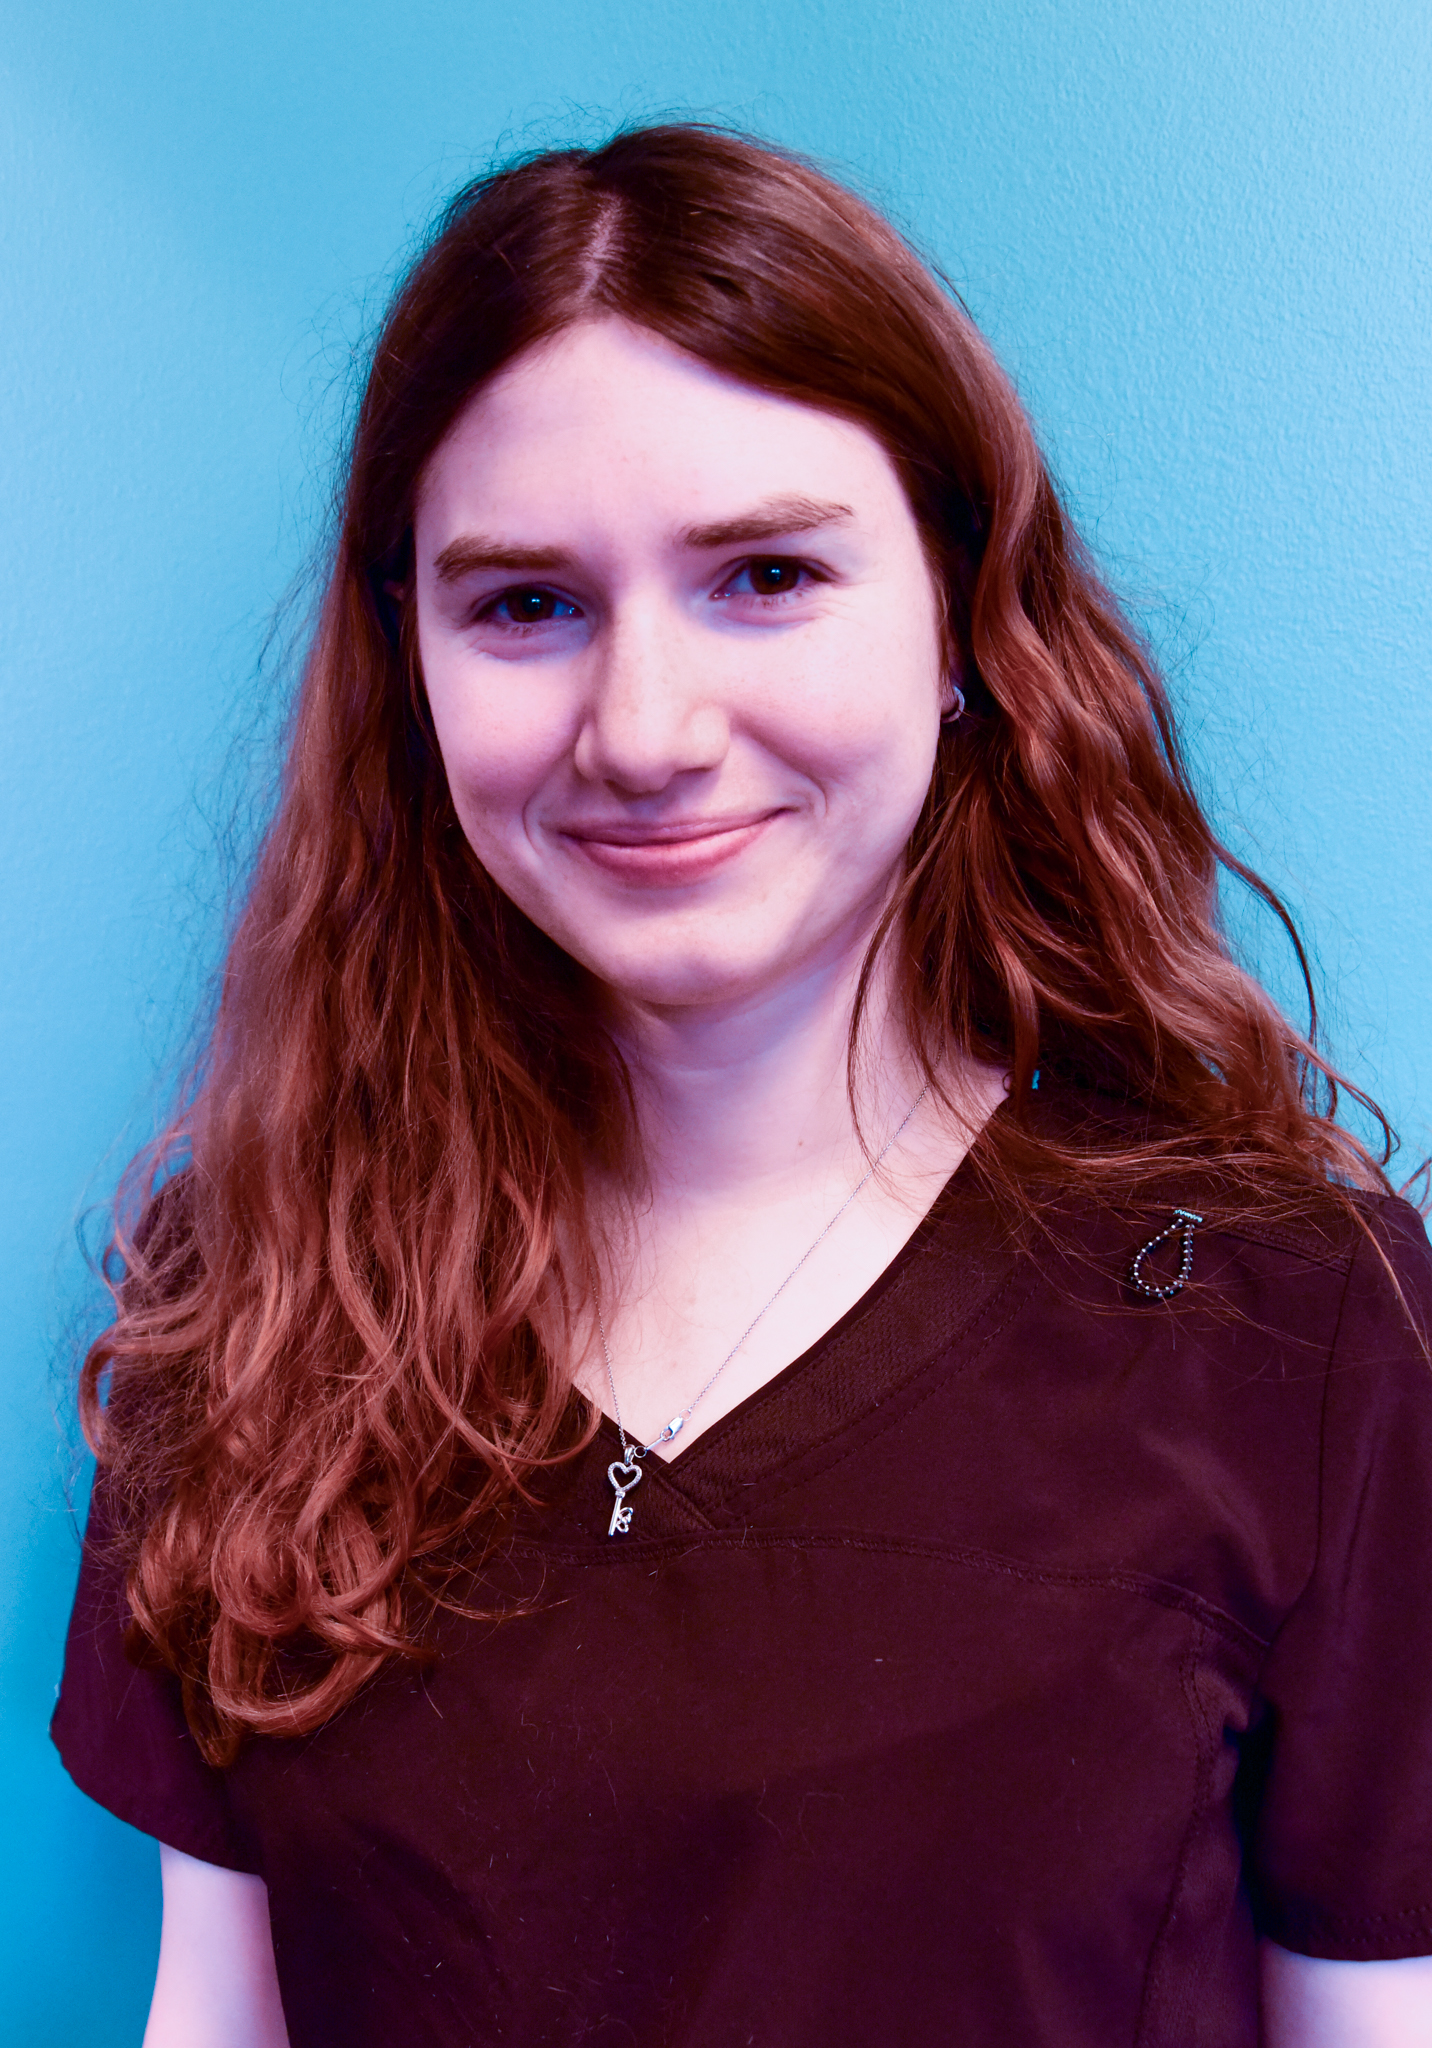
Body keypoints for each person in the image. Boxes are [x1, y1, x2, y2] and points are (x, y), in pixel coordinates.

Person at [52, 120, 1432, 2048]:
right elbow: (212, 2018)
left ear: (961, 622)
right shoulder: (260, 1297)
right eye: (525, 604)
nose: (646, 729)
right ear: (413, 670)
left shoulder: (1301, 1324)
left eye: (765, 576)